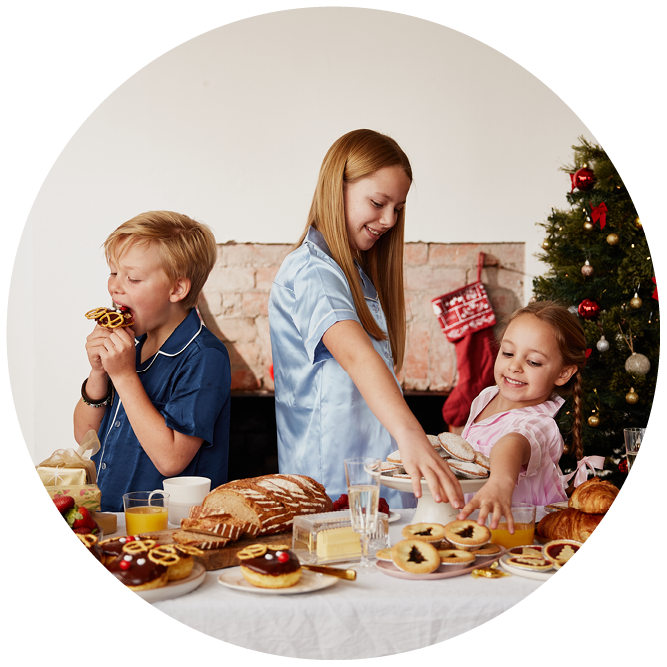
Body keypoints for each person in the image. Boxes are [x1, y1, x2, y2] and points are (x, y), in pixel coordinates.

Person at [268, 129, 464, 509]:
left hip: (370, 481)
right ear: (335, 187)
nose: (389, 219)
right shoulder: (311, 272)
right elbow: (358, 357)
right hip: (332, 487)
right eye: (378, 202)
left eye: (398, 208)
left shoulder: (353, 275)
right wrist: (412, 435)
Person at [73, 211, 231, 512]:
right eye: (113, 272)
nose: (115, 287)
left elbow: (171, 459)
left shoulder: (203, 357)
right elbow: (85, 437)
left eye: (132, 278)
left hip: (168, 530)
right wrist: (99, 373)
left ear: (177, 289)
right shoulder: (133, 345)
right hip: (111, 516)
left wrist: (123, 376)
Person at [456, 300, 587, 530]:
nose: (515, 366)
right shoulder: (486, 397)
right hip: (476, 524)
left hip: (526, 536)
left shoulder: (541, 423)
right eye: (508, 353)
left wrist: (500, 481)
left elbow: (512, 443)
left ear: (563, 372)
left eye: (533, 362)